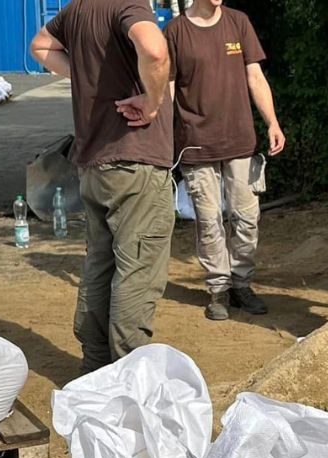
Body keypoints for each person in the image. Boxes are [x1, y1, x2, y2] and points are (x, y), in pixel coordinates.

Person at [30, 0, 175, 373]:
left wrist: (83, 75)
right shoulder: (129, 5)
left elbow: (41, 46)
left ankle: (95, 367)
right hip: (134, 163)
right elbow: (155, 50)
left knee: (100, 264)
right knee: (136, 269)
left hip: (94, 165)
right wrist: (153, 100)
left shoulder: (79, 9)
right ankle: (128, 376)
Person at [166, 0, 285, 321]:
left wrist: (272, 122)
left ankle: (241, 284)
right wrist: (162, 134)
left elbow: (255, 77)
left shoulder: (238, 22)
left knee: (247, 218)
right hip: (196, 145)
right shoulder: (176, 31)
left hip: (240, 140)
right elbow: (169, 88)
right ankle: (218, 288)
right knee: (208, 222)